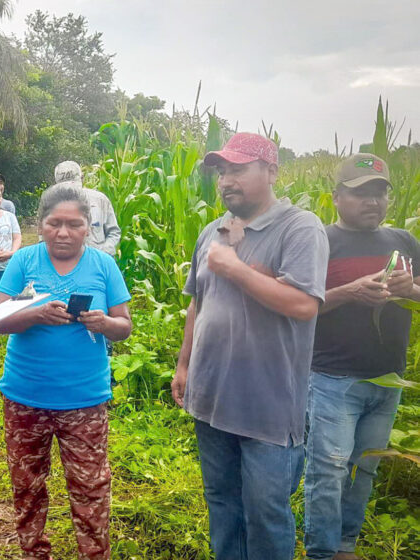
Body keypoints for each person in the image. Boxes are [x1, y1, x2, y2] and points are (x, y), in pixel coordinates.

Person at [170, 133, 329, 560]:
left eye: (238, 169)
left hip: (268, 408)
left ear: (272, 172)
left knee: (265, 513)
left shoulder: (300, 228)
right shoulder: (212, 231)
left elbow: (303, 305)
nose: (226, 180)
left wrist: (236, 269)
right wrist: (183, 366)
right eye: (222, 171)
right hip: (210, 398)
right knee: (222, 503)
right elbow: (197, 304)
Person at [0, 185, 132, 560]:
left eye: (74, 224)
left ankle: (94, 554)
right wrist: (35, 315)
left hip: (85, 400)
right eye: (54, 223)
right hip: (25, 396)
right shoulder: (24, 261)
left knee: (91, 488)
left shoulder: (103, 265)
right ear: (40, 225)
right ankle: (34, 552)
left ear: (88, 227)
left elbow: (124, 325)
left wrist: (104, 322)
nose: (64, 232)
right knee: (27, 486)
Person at [304, 154, 420, 560]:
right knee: (329, 471)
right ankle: (321, 550)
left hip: (389, 379)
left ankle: (346, 545)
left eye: (379, 193)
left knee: (365, 467)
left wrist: (410, 289)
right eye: (360, 194)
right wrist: (349, 292)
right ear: (336, 197)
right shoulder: (320, 241)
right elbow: (299, 306)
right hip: (333, 378)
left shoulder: (404, 243)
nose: (373, 202)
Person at [52, 161, 121, 257]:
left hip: (99, 264)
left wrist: (103, 254)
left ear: (82, 178)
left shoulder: (100, 200)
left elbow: (113, 232)